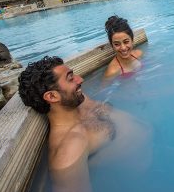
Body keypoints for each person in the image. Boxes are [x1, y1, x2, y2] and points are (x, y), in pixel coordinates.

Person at [18, 56, 150, 192]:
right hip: (143, 176)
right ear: (52, 96)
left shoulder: (78, 101)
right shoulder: (68, 152)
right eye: (70, 78)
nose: (81, 79)